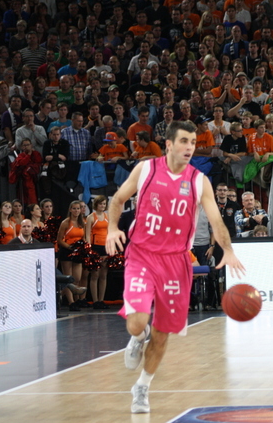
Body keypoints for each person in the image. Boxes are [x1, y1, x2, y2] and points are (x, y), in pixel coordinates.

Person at [105, 121, 245, 414]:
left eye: (193, 142)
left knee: (162, 333)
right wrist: (112, 229)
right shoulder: (146, 169)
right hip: (142, 254)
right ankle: (137, 338)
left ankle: (142, 386)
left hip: (176, 261)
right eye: (184, 141)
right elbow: (118, 199)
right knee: (138, 322)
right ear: (168, 144)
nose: (189, 147)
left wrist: (229, 249)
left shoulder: (199, 180)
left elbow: (216, 220)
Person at [56, 200, 86, 311]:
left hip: (78, 252)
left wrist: (82, 247)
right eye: (74, 208)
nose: (76, 211)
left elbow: (83, 237)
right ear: (70, 210)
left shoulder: (82, 222)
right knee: (68, 278)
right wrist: (70, 247)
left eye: (78, 208)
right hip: (67, 251)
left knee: (77, 278)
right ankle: (71, 302)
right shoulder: (65, 223)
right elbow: (59, 240)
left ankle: (76, 299)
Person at [85, 195, 110, 310]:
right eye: (100, 204)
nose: (102, 206)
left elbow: (109, 232)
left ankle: (101, 300)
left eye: (104, 204)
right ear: (96, 204)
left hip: (105, 247)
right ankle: (95, 301)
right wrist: (90, 250)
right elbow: (87, 235)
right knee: (95, 275)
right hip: (95, 247)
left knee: (103, 275)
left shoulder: (107, 216)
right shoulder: (91, 217)